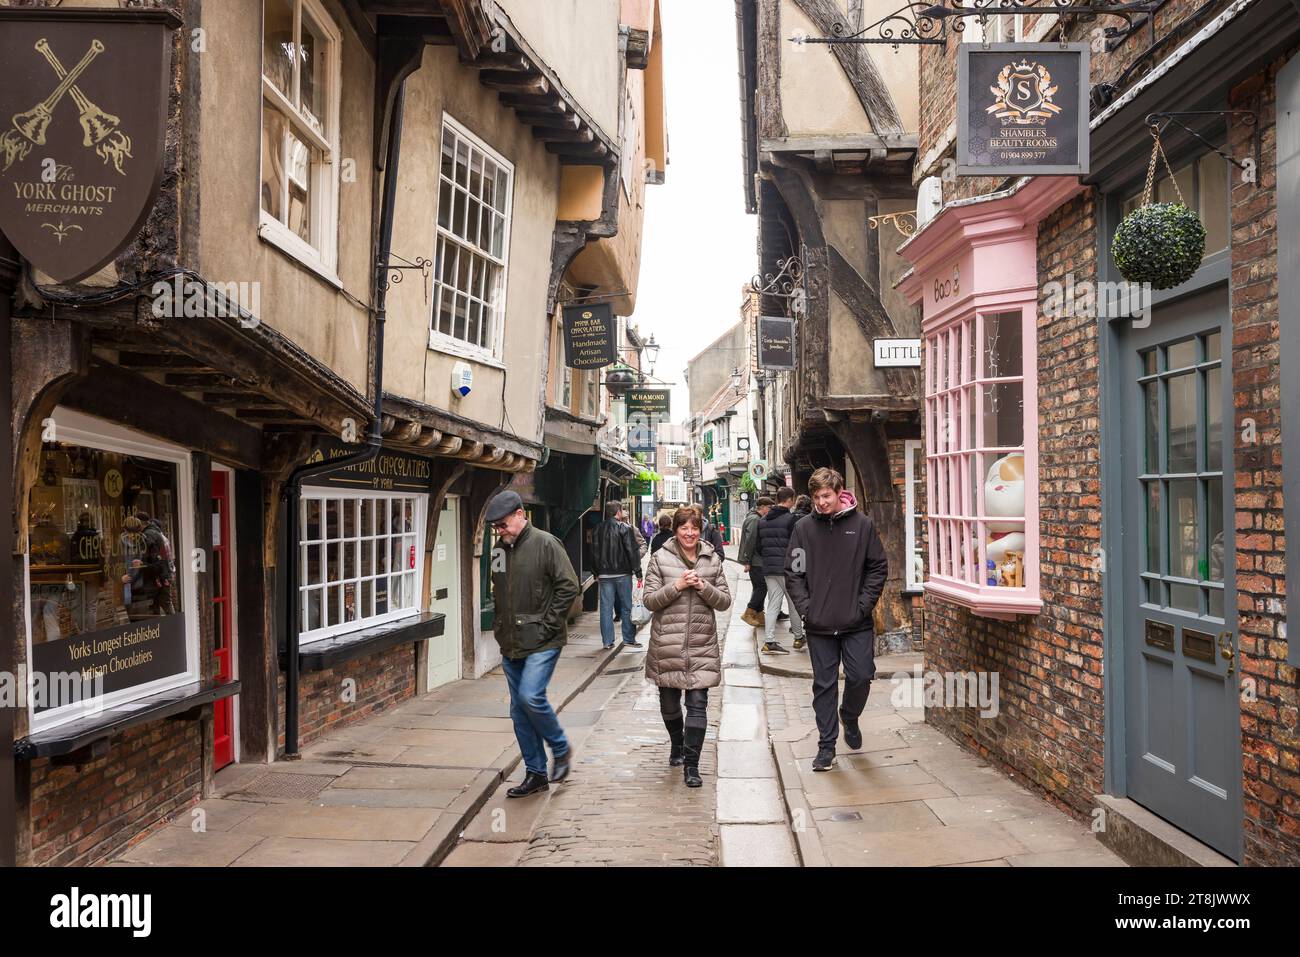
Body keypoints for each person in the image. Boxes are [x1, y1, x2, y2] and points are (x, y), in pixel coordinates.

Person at [784, 468, 888, 773]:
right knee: (824, 686)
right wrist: (807, 610)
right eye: (816, 497)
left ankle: (850, 715)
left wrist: (863, 605)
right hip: (819, 625)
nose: (821, 502)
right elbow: (794, 572)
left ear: (839, 491)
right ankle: (826, 747)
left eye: (826, 495)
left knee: (861, 675)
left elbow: (877, 568)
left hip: (856, 622)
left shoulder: (862, 526)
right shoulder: (804, 529)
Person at [485, 490, 581, 797]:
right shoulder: (500, 550)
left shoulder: (546, 543)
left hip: (543, 640)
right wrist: (500, 627)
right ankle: (536, 773)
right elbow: (498, 590)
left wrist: (548, 624)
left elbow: (569, 587)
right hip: (511, 642)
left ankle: (561, 747)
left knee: (530, 696)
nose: (500, 531)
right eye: (496, 528)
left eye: (503, 525)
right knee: (518, 710)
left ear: (520, 515)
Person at [643, 507, 732, 787]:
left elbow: (725, 601)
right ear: (676, 530)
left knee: (697, 706)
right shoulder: (659, 558)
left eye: (694, 528)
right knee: (670, 705)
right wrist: (678, 585)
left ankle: (692, 766)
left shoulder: (711, 559)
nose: (690, 533)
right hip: (667, 643)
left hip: (701, 644)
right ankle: (677, 743)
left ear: (700, 528)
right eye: (684, 528)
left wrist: (704, 587)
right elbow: (649, 601)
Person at [592, 500, 644, 649]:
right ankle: (628, 639)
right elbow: (632, 552)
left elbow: (594, 552)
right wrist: (638, 571)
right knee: (627, 607)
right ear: (618, 512)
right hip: (623, 574)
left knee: (606, 609)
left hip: (604, 574)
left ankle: (607, 642)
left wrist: (596, 572)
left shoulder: (597, 529)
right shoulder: (625, 528)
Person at [756, 487, 802, 654]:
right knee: (794, 603)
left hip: (769, 567)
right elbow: (797, 545)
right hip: (787, 568)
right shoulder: (792, 519)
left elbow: (759, 547)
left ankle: (769, 640)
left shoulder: (763, 520)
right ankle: (798, 637)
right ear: (789, 500)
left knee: (773, 603)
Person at [737, 496, 773, 628]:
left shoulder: (754, 518)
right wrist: (747, 560)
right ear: (762, 507)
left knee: (759, 587)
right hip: (756, 560)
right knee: (761, 587)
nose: (770, 510)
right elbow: (750, 540)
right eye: (769, 507)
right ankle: (749, 612)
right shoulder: (755, 519)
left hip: (756, 559)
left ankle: (759, 615)